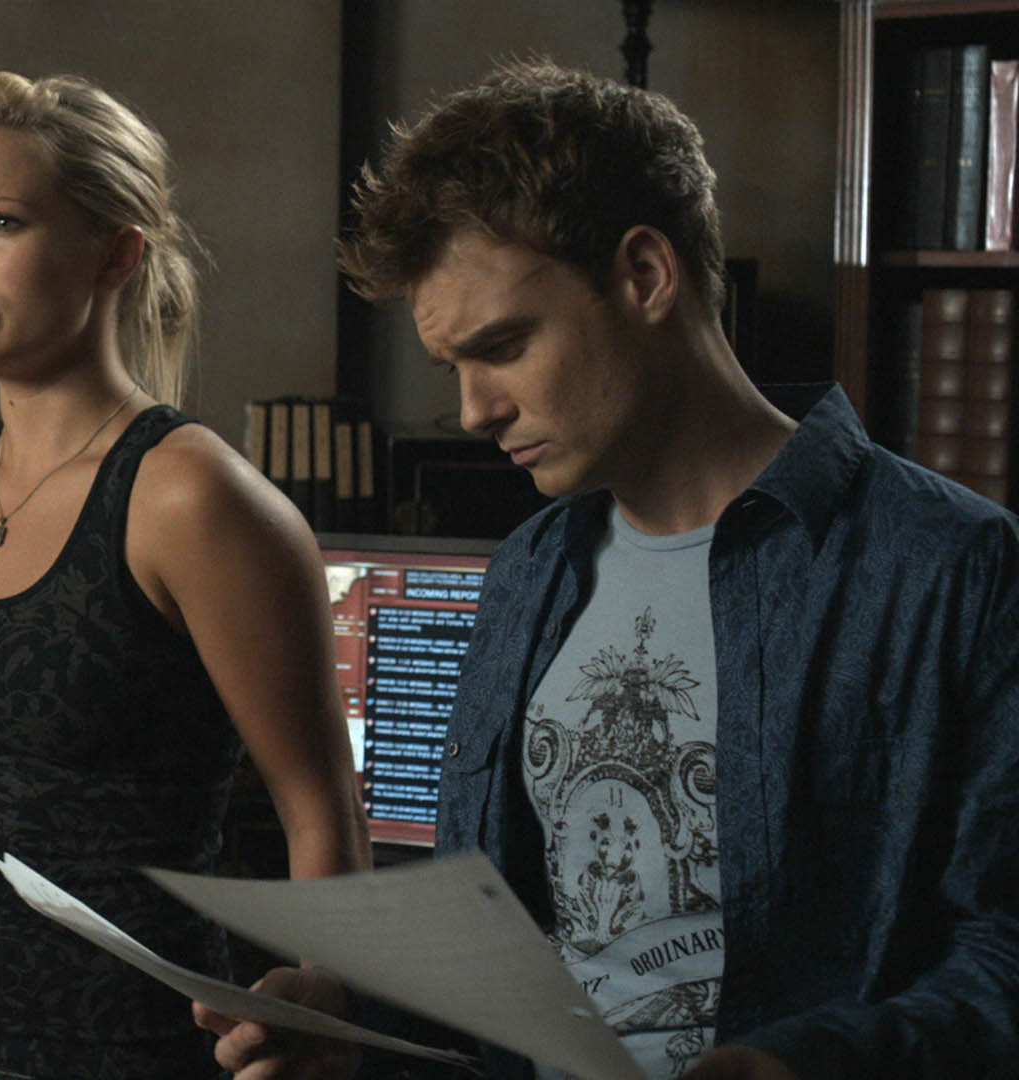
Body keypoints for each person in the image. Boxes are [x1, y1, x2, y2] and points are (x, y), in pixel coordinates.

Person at [200, 60, 1019, 1080]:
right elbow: (501, 957)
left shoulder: (952, 568)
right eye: (455, 367)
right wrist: (349, 1015)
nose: (474, 411)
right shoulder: (528, 573)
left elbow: (1004, 957)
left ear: (644, 276)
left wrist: (799, 1066)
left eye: (504, 346)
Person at [0, 70, 372, 1080]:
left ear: (117, 252)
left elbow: (321, 802)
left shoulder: (190, 498)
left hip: (117, 1050)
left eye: (2, 222)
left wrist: (330, 1002)